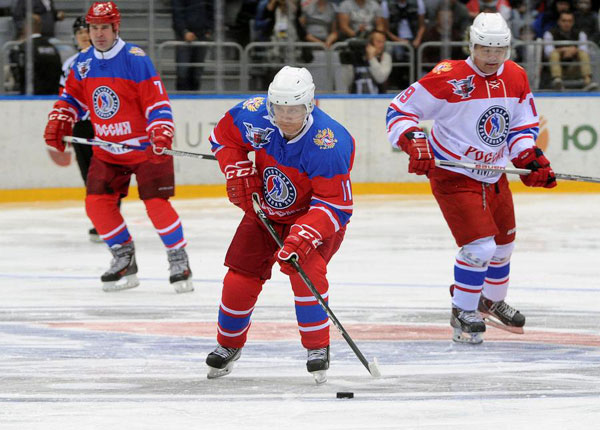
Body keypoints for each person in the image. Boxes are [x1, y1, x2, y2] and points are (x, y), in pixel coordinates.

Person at [386, 13, 557, 344]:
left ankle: (490, 301)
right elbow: (399, 110)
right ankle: (462, 309)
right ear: (472, 45)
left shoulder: (516, 76)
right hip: (454, 174)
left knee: (503, 246)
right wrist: (414, 141)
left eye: (499, 50)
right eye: (485, 50)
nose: (492, 58)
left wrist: (528, 156)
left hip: (494, 173)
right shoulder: (450, 77)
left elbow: (522, 124)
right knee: (480, 246)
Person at [205, 66, 354, 383]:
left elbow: (337, 205)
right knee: (239, 277)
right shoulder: (254, 114)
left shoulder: (330, 142)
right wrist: (236, 169)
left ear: (310, 105)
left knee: (307, 274)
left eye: (294, 109)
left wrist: (305, 233)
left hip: (312, 220)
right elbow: (222, 139)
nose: (285, 116)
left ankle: (317, 347)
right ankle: (228, 344)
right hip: (265, 212)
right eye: (279, 109)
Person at [42, 1, 194, 294]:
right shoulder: (82, 63)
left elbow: (157, 102)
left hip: (145, 147)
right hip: (108, 149)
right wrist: (61, 117)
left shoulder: (136, 59)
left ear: (116, 28)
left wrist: (161, 131)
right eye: (94, 28)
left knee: (156, 204)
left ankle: (179, 258)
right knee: (96, 203)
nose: (98, 34)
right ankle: (124, 258)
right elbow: (72, 98)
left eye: (104, 28)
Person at [58, 16, 100, 242]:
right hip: (82, 126)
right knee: (89, 175)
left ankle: (110, 217)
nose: (84, 36)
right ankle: (101, 219)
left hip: (105, 125)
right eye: (80, 32)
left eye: (87, 31)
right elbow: (65, 97)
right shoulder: (70, 64)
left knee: (108, 173)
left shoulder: (106, 59)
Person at [543, 10, 598, 90]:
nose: (567, 23)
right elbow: (547, 52)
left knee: (583, 53)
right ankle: (557, 81)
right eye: (564, 21)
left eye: (569, 21)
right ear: (559, 22)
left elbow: (585, 49)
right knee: (554, 54)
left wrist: (574, 50)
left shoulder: (580, 33)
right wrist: (563, 50)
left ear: (573, 22)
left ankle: (587, 81)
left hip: (574, 67)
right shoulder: (550, 33)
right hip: (554, 67)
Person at [9, 13, 62, 94]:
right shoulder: (52, 47)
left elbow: (18, 75)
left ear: (26, 27)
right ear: (40, 27)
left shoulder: (22, 48)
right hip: (53, 95)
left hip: (30, 96)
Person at [171, 0, 213, 91]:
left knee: (197, 73)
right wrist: (184, 32)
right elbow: (177, 13)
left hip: (202, 34)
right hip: (184, 36)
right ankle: (181, 99)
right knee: (183, 72)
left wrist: (209, 30)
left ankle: (195, 97)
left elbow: (211, 10)